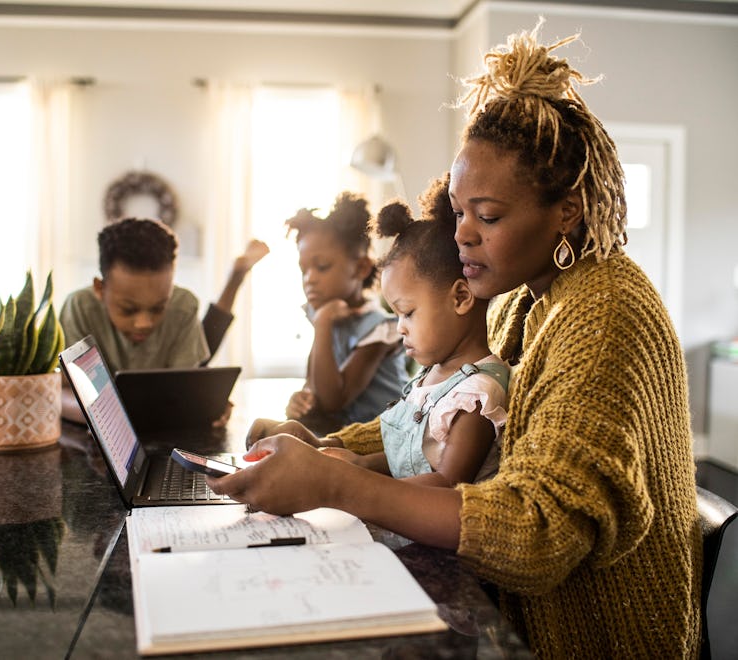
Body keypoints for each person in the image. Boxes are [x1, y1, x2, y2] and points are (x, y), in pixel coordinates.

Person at [207, 21, 701, 658]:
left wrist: (335, 483)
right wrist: (327, 448)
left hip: (593, 637)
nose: (463, 233)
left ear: (568, 211)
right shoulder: (522, 296)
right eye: (460, 211)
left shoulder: (605, 315)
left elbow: (539, 532)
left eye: (488, 215)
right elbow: (434, 410)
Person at [316, 174, 509, 487]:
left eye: (407, 313)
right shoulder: (432, 375)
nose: (400, 328)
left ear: (461, 298)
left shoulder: (476, 395)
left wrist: (353, 481)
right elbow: (410, 458)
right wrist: (358, 463)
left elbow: (445, 484)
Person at [60, 217, 268, 423]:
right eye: (128, 309)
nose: (144, 323)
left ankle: (236, 277)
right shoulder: (79, 307)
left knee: (203, 353)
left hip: (175, 379)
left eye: (158, 308)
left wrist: (204, 404)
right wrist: (102, 415)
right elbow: (57, 392)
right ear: (100, 289)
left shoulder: (183, 304)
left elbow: (186, 386)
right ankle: (236, 276)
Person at [283, 191, 408, 432]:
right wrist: (302, 400)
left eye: (322, 267)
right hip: (342, 435)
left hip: (384, 440)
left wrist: (322, 324)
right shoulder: (323, 315)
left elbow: (333, 400)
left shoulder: (380, 329)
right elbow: (315, 387)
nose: (309, 279)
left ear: (361, 268)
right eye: (304, 270)